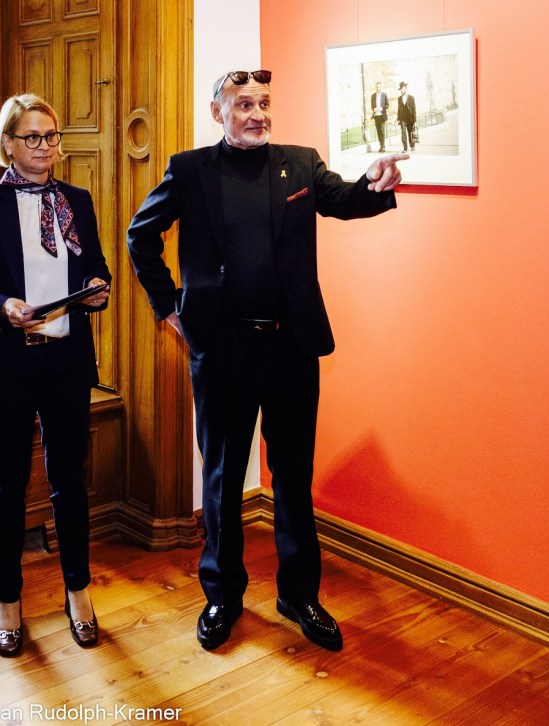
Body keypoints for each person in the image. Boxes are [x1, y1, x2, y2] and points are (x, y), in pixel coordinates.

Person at [127, 68, 406, 654]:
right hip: (222, 347)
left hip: (291, 346)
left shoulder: (300, 165)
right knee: (223, 477)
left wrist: (374, 182)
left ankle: (299, 595)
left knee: (294, 475)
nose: (257, 114)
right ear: (218, 111)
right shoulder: (189, 169)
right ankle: (222, 595)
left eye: (264, 103)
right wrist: (169, 306)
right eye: (244, 104)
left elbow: (343, 201)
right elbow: (140, 235)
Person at [0, 93, 111, 658]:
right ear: (8, 143)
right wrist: (1, 306)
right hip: (7, 362)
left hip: (65, 360)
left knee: (70, 481)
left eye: (51, 136)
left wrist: (97, 289)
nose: (45, 146)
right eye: (33, 137)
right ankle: (8, 602)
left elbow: (95, 266)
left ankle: (78, 592)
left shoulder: (76, 201)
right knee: (8, 487)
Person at [398, 81, 418, 151]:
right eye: (401, 89)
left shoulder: (411, 98)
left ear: (406, 89)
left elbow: (414, 109)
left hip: (410, 119)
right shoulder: (399, 98)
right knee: (403, 133)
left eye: (403, 89)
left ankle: (412, 146)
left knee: (411, 132)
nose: (401, 90)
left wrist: (415, 120)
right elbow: (399, 109)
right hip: (403, 119)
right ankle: (405, 148)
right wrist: (398, 119)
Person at [370, 81, 389, 152]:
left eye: (379, 87)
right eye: (377, 87)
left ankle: (383, 146)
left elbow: (387, 105)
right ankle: (381, 145)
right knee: (378, 131)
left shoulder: (384, 95)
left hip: (382, 116)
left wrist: (382, 108)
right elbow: (372, 106)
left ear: (381, 87)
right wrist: (374, 109)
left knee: (382, 130)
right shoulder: (373, 96)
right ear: (376, 88)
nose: (378, 89)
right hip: (376, 116)